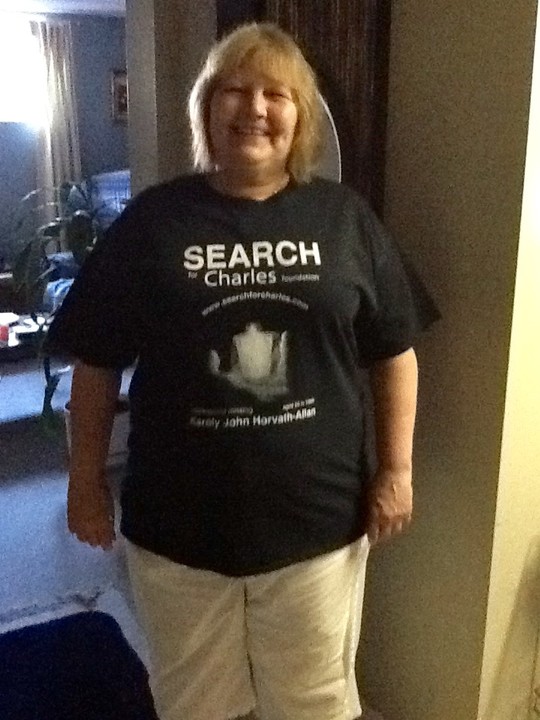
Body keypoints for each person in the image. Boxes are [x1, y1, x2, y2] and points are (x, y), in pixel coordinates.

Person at [46, 21, 437, 720]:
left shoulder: (344, 219)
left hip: (317, 525)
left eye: (275, 94)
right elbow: (96, 363)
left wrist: (397, 471)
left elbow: (394, 351)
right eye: (234, 89)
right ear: (206, 109)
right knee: (194, 703)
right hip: (177, 531)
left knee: (313, 703)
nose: (254, 108)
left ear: (299, 116)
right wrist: (84, 483)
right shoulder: (153, 222)